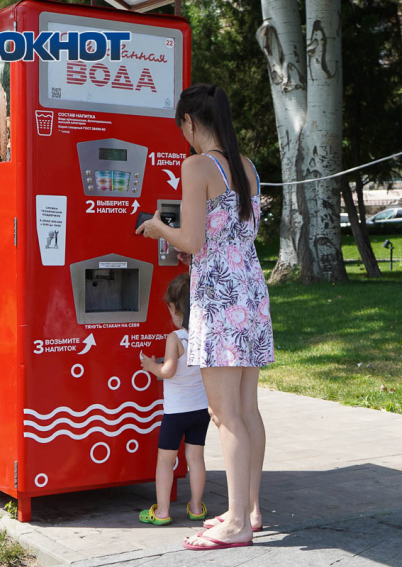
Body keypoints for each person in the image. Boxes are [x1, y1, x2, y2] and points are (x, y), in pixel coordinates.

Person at [137, 83, 275, 551]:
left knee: (223, 413)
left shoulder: (196, 165)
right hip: (251, 292)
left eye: (182, 126)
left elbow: (193, 240)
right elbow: (230, 235)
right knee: (247, 408)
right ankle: (251, 510)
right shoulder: (248, 168)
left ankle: (235, 525)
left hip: (219, 300)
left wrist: (158, 227)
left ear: (191, 123)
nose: (183, 135)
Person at [137, 274, 211, 526]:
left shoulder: (175, 338)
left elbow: (168, 371)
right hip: (201, 410)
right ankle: (196, 507)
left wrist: (150, 366)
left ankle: (162, 512)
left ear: (173, 307)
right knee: (195, 459)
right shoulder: (205, 334)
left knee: (165, 461)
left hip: (176, 413)